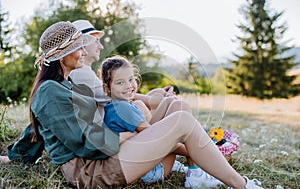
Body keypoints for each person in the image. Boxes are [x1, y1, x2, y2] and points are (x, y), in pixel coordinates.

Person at [25, 21, 263, 189]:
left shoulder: (62, 85)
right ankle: (242, 185)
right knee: (181, 122)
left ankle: (202, 172)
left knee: (178, 109)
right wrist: (134, 134)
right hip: (91, 171)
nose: (82, 52)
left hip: (104, 154)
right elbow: (87, 143)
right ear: (60, 57)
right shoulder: (49, 92)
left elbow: (40, 130)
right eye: (76, 48)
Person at [100, 55, 224, 187]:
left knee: (170, 102)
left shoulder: (115, 105)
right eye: (120, 82)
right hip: (150, 172)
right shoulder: (123, 109)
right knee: (179, 115)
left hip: (140, 160)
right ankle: (196, 173)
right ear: (106, 88)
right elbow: (157, 140)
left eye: (131, 79)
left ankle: (193, 167)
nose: (129, 86)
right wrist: (198, 151)